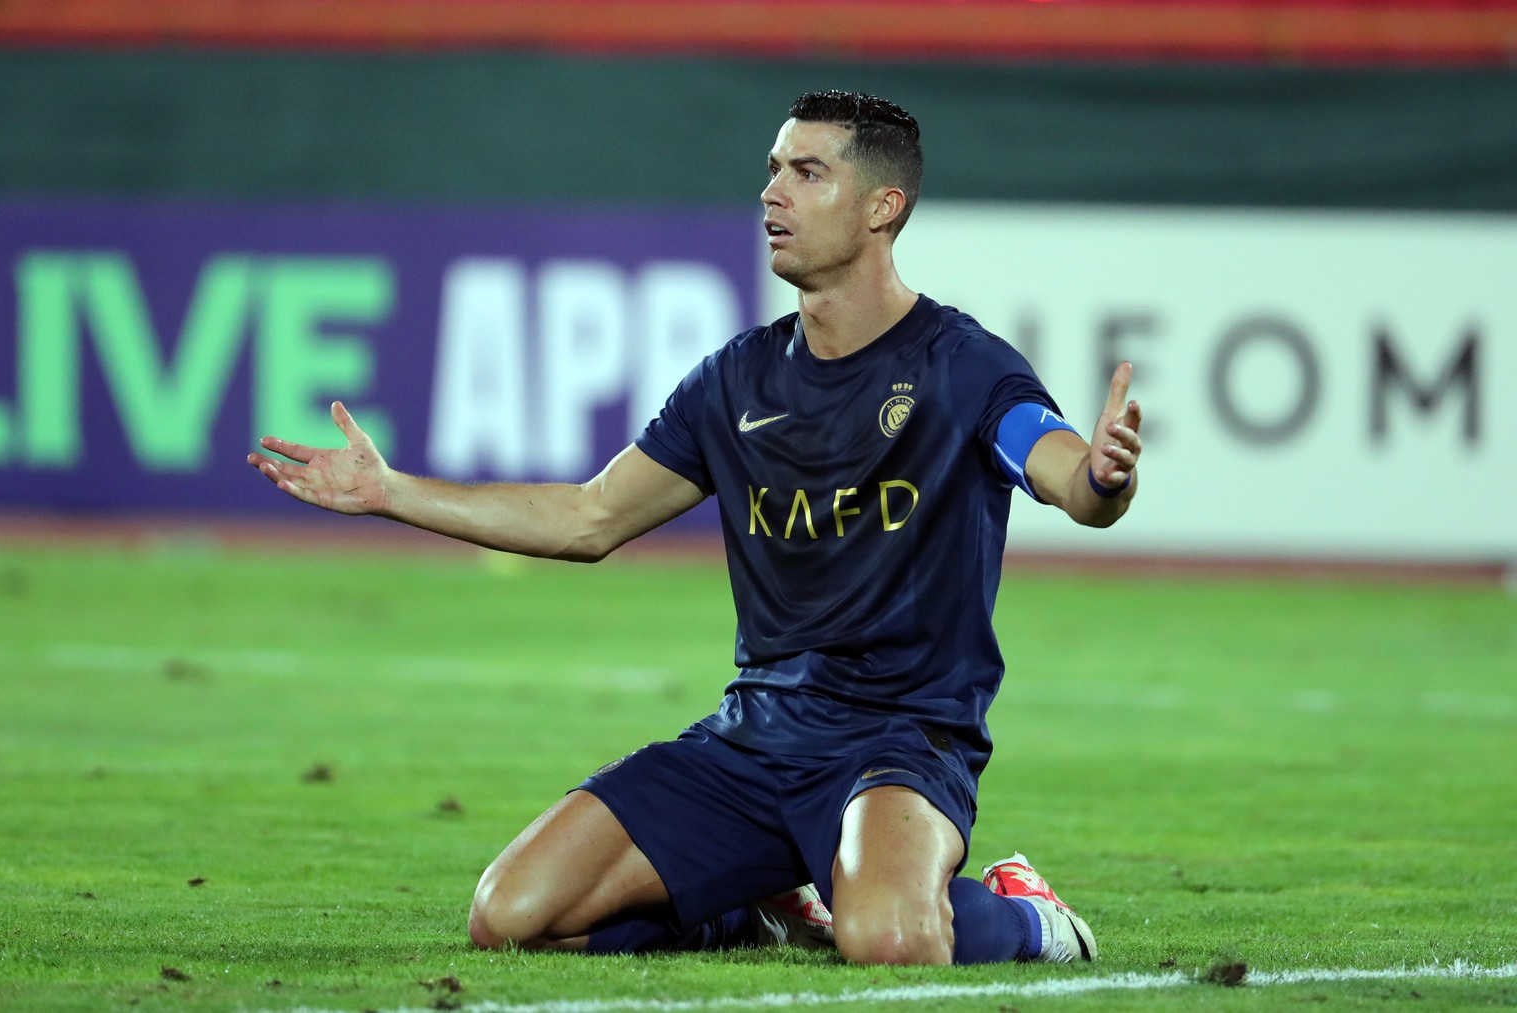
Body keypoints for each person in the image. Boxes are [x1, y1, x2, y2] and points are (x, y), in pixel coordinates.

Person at [248, 89, 1142, 966]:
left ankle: (1030, 916)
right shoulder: (735, 380)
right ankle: (750, 913)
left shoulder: (961, 364)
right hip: (756, 734)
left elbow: (1063, 472)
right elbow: (591, 515)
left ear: (882, 207)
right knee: (509, 916)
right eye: (773, 169)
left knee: (890, 940)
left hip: (900, 741)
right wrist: (391, 491)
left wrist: (1101, 477)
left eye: (807, 173)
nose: (772, 192)